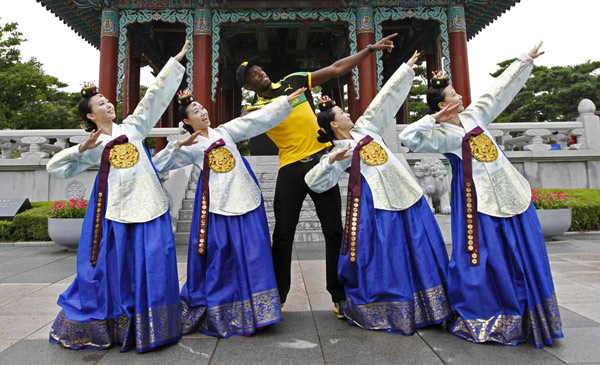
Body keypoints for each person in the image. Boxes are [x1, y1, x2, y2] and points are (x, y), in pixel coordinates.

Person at [399, 42, 563, 348]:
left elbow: (499, 91)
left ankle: (529, 317)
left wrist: (524, 60)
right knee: (488, 257)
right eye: (452, 96)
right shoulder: (441, 137)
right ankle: (490, 314)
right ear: (441, 106)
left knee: (522, 251)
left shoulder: (476, 116)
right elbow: (409, 137)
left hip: (511, 195)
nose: (460, 96)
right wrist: (433, 119)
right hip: (479, 203)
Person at [237, 34, 397, 316]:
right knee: (283, 234)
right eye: (253, 74)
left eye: (259, 69)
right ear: (248, 85)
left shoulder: (294, 80)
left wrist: (369, 49)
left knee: (334, 230)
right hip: (290, 170)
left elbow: (336, 69)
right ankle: (278, 296)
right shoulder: (255, 109)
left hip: (322, 163)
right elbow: (243, 126)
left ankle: (339, 295)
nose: (260, 72)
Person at [46, 41, 190, 352]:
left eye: (108, 100)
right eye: (101, 103)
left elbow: (154, 97)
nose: (108, 104)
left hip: (150, 206)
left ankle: (154, 325)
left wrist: (175, 62)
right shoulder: (92, 145)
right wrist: (80, 149)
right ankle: (116, 324)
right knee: (118, 267)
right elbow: (55, 167)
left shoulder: (134, 127)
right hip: (115, 213)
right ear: (90, 116)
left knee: (155, 260)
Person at [303, 51, 451, 334]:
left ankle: (431, 306)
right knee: (389, 255)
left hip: (409, 197)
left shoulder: (366, 129)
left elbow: (385, 100)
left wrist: (406, 69)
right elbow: (314, 181)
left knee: (421, 250)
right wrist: (332, 162)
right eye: (343, 114)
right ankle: (393, 306)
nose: (349, 114)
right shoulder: (338, 152)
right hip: (378, 207)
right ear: (334, 124)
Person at [153, 87, 305, 338]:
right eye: (195, 111)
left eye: (201, 107)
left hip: (245, 200)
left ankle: (259, 311)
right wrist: (177, 146)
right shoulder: (191, 147)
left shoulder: (225, 131)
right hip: (218, 208)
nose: (202, 112)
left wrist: (284, 102)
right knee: (221, 257)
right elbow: (157, 165)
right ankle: (223, 309)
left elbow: (253, 121)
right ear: (186, 122)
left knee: (255, 254)